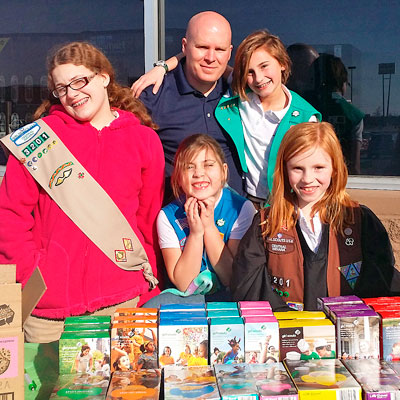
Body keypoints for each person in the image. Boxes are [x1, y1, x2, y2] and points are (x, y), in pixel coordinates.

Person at [0, 42, 165, 343]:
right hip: (50, 311)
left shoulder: (144, 141)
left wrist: (147, 280)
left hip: (124, 300)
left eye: (80, 81)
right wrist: (33, 273)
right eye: (62, 88)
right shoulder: (39, 141)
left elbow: (148, 218)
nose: (72, 94)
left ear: (103, 77)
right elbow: (10, 216)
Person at [231, 122, 400, 311]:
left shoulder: (360, 221)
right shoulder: (266, 224)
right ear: (284, 169)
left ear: (335, 168)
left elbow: (381, 282)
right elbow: (248, 285)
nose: (307, 179)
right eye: (297, 168)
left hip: (347, 331)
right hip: (288, 334)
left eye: (318, 167)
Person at [133, 11, 244, 200]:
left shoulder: (241, 93)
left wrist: (165, 64)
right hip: (176, 223)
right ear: (184, 46)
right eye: (202, 47)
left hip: (238, 221)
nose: (210, 57)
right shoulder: (154, 94)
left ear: (230, 52)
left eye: (219, 50)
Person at [143, 134, 255, 307]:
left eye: (208, 165)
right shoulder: (168, 216)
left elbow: (231, 277)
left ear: (224, 170)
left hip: (229, 297)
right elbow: (183, 283)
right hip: (185, 300)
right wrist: (196, 234)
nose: (199, 174)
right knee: (152, 306)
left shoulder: (240, 208)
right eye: (189, 167)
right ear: (179, 177)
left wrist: (209, 227)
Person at [215, 30, 321, 207]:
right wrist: (163, 67)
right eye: (250, 72)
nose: (258, 78)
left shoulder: (304, 118)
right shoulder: (243, 98)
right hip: (245, 202)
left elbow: (311, 172)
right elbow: (208, 62)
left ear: (282, 63)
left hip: (284, 204)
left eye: (264, 66)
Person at [311, 53, 364, 174]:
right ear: (343, 82)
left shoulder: (307, 109)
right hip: (340, 174)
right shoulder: (355, 116)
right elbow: (355, 164)